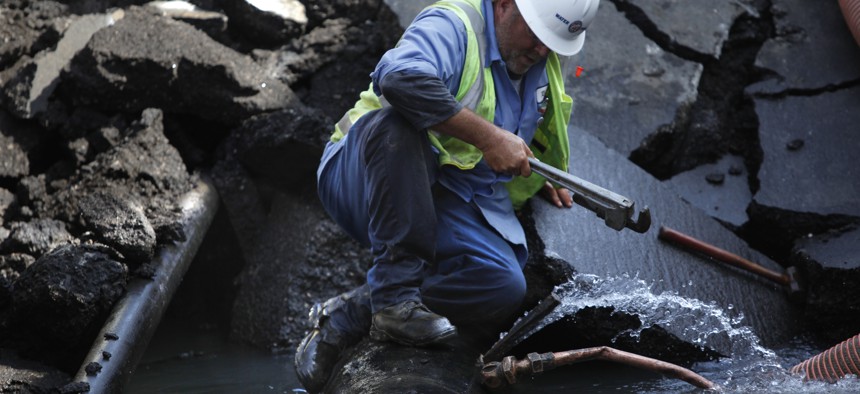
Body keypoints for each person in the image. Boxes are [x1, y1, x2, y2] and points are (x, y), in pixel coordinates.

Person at [295, 0, 600, 391]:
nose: (543, 50)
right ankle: (393, 296)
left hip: (446, 191)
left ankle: (354, 309)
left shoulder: (539, 58)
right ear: (505, 4)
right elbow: (399, 78)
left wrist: (547, 172)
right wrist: (489, 137)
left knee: (502, 286)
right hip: (364, 177)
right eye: (538, 35)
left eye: (553, 42)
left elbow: (541, 124)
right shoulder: (454, 25)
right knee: (397, 124)